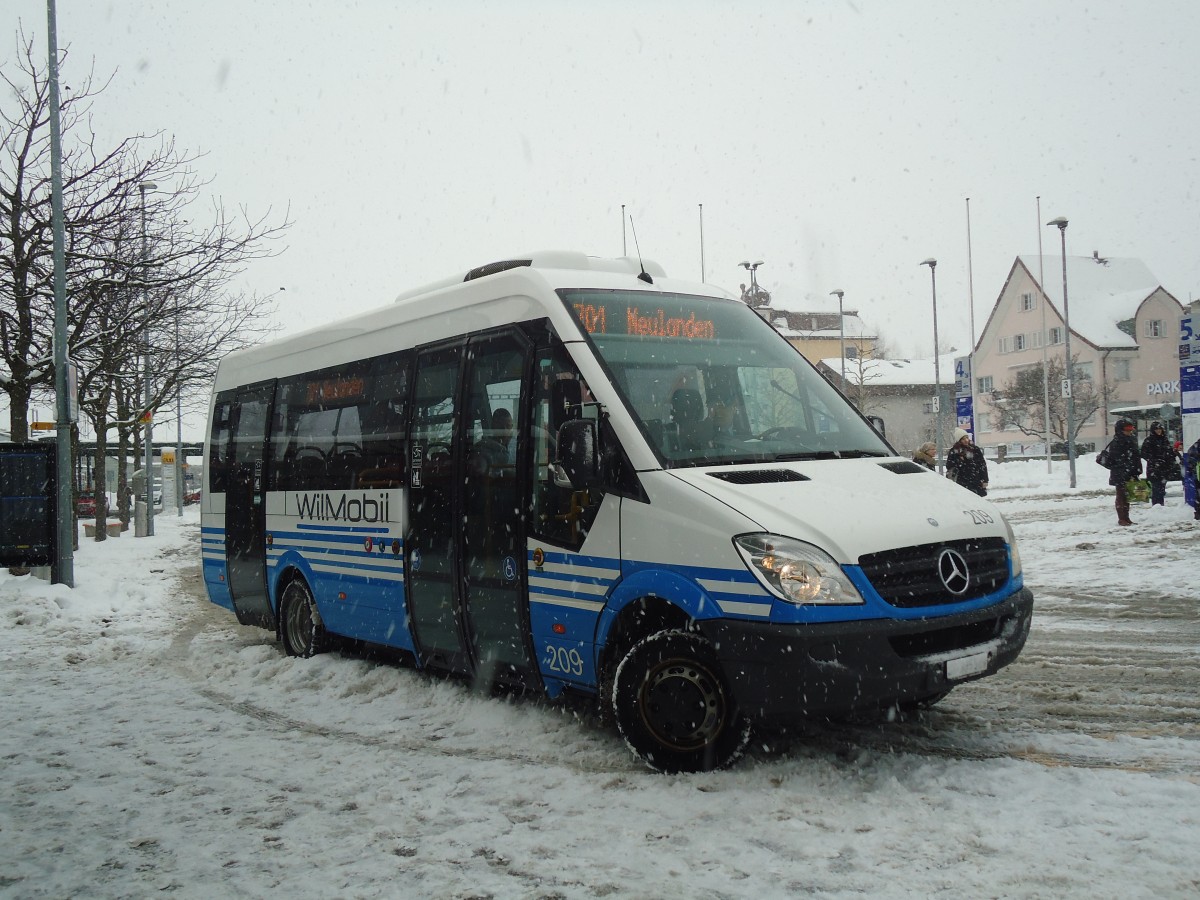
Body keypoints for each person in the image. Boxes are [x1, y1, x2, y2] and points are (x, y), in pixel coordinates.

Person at [1104, 418, 1142, 526]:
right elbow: (1117, 459)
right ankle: (1122, 518)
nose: (1129, 432)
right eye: (1127, 430)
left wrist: (1136, 470)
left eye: (1131, 430)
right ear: (1121, 430)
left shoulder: (1130, 440)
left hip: (1127, 472)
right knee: (1121, 496)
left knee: (1127, 496)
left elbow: (1135, 457)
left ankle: (1126, 517)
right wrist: (1129, 469)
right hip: (1121, 473)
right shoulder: (1118, 442)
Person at [1139, 420, 1179, 506]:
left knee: (1161, 489)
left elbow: (1169, 452)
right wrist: (1155, 461)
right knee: (1156, 488)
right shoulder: (1149, 440)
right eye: (1156, 429)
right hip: (1154, 469)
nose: (1159, 431)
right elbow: (1144, 453)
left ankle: (1160, 505)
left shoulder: (1164, 440)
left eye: (1160, 429)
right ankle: (1157, 505)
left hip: (1164, 469)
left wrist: (1170, 458)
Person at [945, 428, 988, 496]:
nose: (966, 440)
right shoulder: (954, 451)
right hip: (961, 482)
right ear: (959, 440)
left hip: (976, 481)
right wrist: (960, 461)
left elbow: (982, 465)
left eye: (967, 438)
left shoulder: (975, 449)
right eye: (963, 439)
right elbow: (949, 466)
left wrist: (985, 479)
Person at [1185, 437, 1200, 522]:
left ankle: (1198, 512)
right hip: (1198, 474)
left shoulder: (1196, 446)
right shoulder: (1197, 446)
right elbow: (1192, 457)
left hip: (1197, 474)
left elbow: (1191, 457)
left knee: (1198, 494)